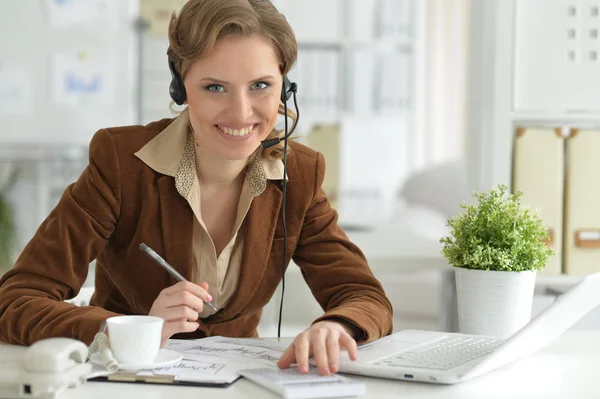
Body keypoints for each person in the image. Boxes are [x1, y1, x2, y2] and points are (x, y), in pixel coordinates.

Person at [0, 0, 393, 376]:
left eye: (260, 85)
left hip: (241, 388)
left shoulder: (301, 174)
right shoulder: (122, 163)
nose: (241, 112)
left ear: (285, 86)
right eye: (215, 88)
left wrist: (338, 327)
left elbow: (365, 297)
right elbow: (14, 300)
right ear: (180, 86)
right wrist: (128, 328)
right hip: (128, 385)